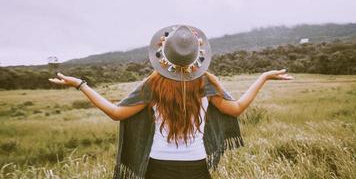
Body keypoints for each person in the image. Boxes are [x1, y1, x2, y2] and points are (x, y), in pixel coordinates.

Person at [49, 25, 293, 179]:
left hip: (158, 168)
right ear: (197, 57)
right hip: (196, 167)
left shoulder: (153, 84)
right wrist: (264, 77)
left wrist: (81, 85)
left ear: (164, 57)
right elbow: (237, 108)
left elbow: (115, 113)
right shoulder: (207, 83)